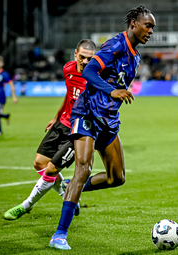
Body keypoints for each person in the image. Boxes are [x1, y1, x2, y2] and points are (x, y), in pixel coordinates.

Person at [49, 5, 156, 250]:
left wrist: (113, 97)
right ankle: (59, 235)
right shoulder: (115, 46)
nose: (151, 31)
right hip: (86, 113)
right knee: (83, 168)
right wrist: (112, 91)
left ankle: (70, 188)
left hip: (108, 119)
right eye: (147, 25)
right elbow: (90, 70)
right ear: (133, 24)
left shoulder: (135, 55)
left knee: (117, 178)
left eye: (152, 27)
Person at [3, 39, 97, 220]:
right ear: (76, 54)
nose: (85, 62)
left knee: (51, 170)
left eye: (89, 59)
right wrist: (56, 116)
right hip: (62, 123)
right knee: (39, 163)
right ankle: (66, 195)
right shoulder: (68, 69)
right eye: (83, 57)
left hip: (78, 130)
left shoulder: (95, 78)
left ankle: (25, 205)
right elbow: (69, 94)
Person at [0, 56, 18, 135]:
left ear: (2, 63)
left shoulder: (4, 74)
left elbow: (11, 85)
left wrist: (14, 97)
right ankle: (5, 116)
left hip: (0, 97)